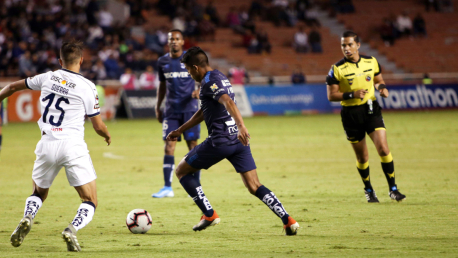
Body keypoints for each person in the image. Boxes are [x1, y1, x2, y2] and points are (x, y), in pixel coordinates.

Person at [0, 40, 111, 252]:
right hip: (72, 146)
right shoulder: (88, 86)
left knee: (39, 192)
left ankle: (28, 216)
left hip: (46, 144)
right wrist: (106, 135)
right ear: (81, 60)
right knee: (90, 199)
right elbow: (97, 125)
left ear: (60, 61)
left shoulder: (48, 77)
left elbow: (13, 86)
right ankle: (71, 229)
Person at [166, 47, 299, 235]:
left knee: (181, 171)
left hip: (220, 142)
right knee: (254, 185)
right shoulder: (219, 76)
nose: (189, 74)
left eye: (188, 70)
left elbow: (228, 101)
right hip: (238, 142)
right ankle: (287, 220)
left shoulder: (208, 82)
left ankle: (209, 214)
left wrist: (242, 125)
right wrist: (180, 130)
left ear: (195, 67)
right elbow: (205, 111)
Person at [325, 31, 406, 203]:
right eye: (343, 45)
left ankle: (393, 189)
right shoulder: (337, 69)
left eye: (349, 44)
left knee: (383, 149)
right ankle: (369, 189)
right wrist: (352, 94)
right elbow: (331, 96)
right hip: (351, 115)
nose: (346, 48)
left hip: (371, 110)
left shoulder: (371, 61)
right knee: (363, 157)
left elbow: (378, 79)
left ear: (358, 45)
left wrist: (382, 88)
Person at [153, 29, 200, 198]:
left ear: (182, 42)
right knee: (169, 146)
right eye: (171, 38)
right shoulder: (162, 62)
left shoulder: (191, 58)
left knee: (193, 147)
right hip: (171, 110)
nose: (174, 41)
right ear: (168, 42)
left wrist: (199, 91)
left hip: (190, 110)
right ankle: (167, 187)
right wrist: (158, 106)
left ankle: (196, 186)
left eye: (177, 39)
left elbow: (203, 76)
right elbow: (162, 85)